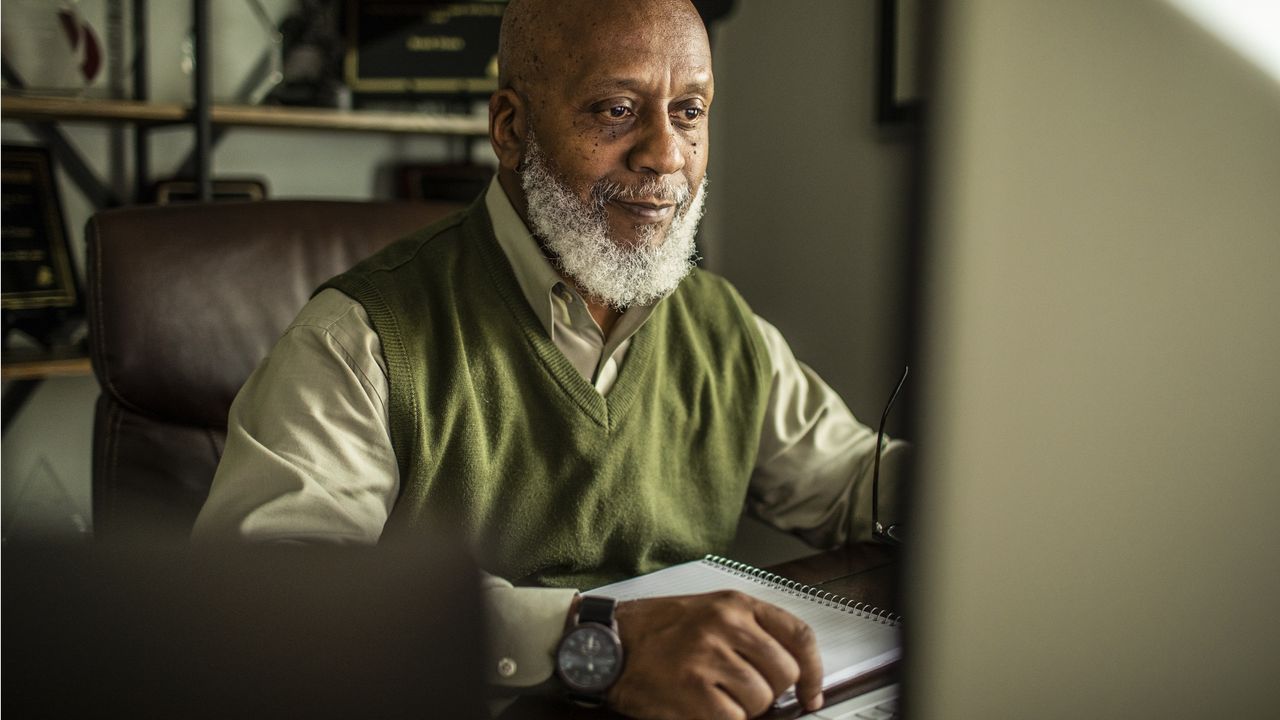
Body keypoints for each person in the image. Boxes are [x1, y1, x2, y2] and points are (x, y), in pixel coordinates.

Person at [193, 0, 907, 717]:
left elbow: (857, 484)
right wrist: (595, 642)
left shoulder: (722, 327)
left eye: (689, 110)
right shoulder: (361, 338)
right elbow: (267, 593)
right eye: (616, 109)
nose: (666, 155)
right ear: (511, 128)